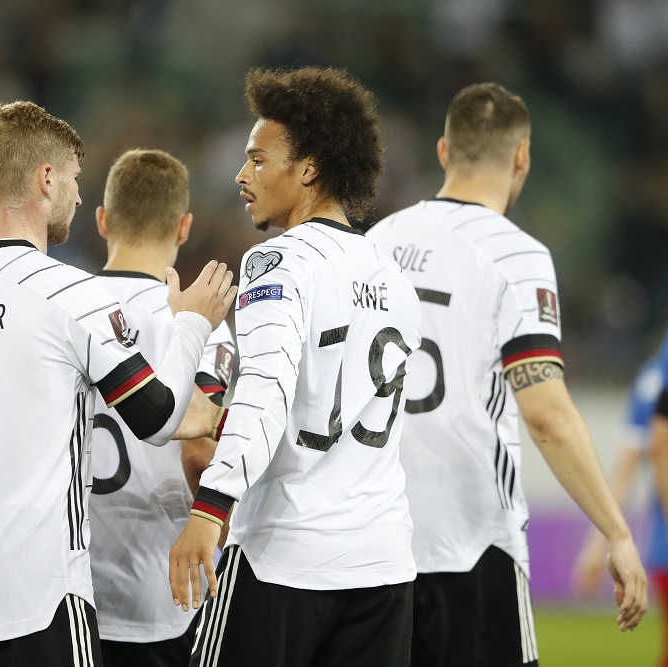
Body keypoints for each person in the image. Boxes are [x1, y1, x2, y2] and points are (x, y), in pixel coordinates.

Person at [0, 101, 236, 667]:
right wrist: (192, 326)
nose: (79, 198)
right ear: (47, 178)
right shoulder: (69, 293)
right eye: (76, 180)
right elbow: (158, 420)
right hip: (39, 600)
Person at [365, 83, 647, 667]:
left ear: (444, 150)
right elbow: (545, 415)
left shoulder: (377, 243)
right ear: (522, 156)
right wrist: (617, 533)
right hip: (471, 541)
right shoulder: (516, 256)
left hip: (373, 542)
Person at [168, 66, 422, 667]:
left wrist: (210, 508)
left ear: (309, 169)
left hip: (285, 556)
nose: (242, 175)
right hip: (382, 561)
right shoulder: (393, 276)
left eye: (258, 160)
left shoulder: (279, 262)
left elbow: (265, 393)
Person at [88, 149, 236, 667]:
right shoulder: (199, 321)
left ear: (102, 220)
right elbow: (200, 456)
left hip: (66, 588)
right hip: (160, 590)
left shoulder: (61, 308)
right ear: (184, 227)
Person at [574, 354, 667, 666]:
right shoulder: (656, 380)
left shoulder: (651, 378)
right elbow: (653, 449)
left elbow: (627, 469)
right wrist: (596, 545)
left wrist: (595, 546)